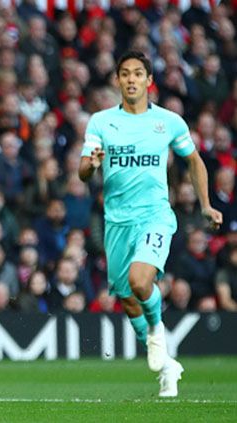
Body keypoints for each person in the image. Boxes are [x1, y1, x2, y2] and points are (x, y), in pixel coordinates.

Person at [79, 51, 222, 398]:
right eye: (125, 74)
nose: (130, 79)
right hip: (117, 221)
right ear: (117, 80)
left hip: (155, 215)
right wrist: (93, 164)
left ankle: (157, 332)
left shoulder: (169, 122)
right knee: (128, 300)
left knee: (141, 281)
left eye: (138, 73)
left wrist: (205, 204)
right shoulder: (101, 122)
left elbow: (194, 161)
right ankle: (168, 366)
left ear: (148, 81)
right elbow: (83, 172)